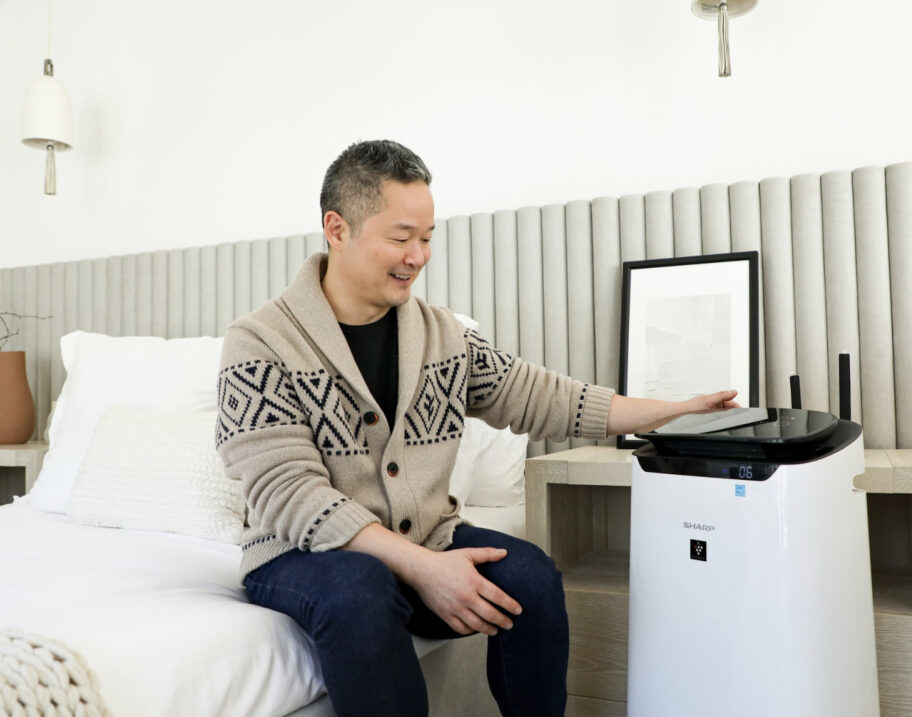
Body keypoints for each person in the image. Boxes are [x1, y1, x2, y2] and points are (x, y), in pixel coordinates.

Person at [215, 139, 740, 717]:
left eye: (428, 237)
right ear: (337, 229)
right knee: (359, 590)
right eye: (400, 237)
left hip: (425, 539)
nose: (419, 256)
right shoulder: (260, 342)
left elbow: (543, 398)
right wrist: (427, 570)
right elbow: (289, 493)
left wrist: (670, 410)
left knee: (531, 578)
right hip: (299, 555)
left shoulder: (443, 336)